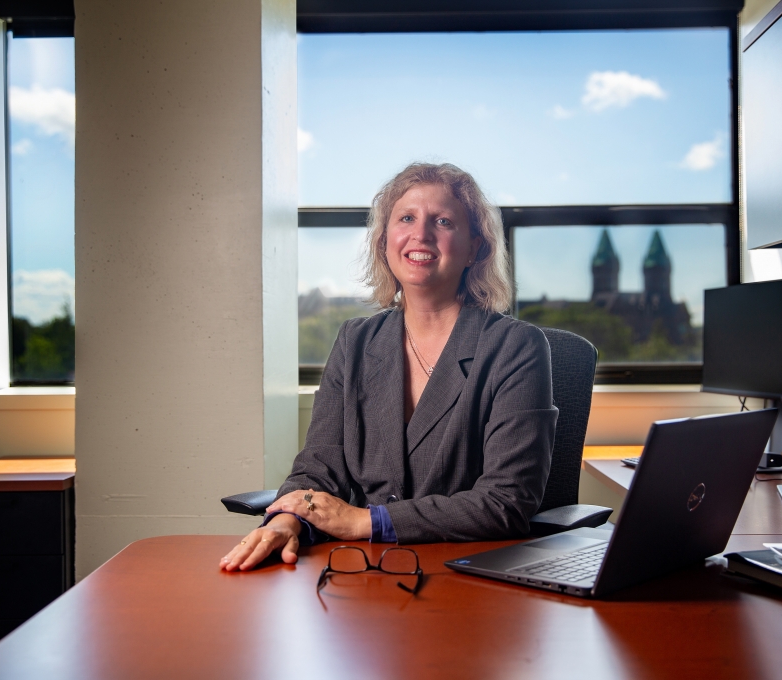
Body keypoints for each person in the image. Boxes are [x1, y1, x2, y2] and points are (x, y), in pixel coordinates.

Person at [221, 162, 557, 572]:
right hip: (363, 573)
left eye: (444, 221)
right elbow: (318, 466)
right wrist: (287, 520)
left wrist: (365, 520)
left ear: (474, 247)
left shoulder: (515, 347)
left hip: (471, 574)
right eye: (407, 218)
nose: (421, 234)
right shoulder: (355, 342)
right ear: (385, 242)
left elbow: (507, 501)